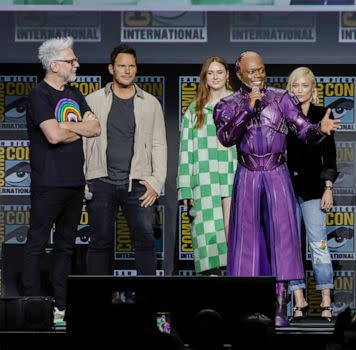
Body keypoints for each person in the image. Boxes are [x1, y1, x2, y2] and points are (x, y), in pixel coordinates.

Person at [213, 51, 340, 326]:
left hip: (277, 174)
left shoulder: (282, 98)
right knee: (246, 241)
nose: (258, 76)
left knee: (282, 241)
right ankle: (246, 307)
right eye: (251, 72)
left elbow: (303, 130)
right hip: (247, 174)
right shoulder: (228, 104)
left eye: (261, 70)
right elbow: (226, 138)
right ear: (239, 76)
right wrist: (248, 107)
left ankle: (280, 306)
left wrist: (321, 128)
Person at [24, 36, 100, 323]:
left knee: (65, 247)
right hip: (48, 183)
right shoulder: (39, 95)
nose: (76, 64)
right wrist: (78, 127)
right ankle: (30, 305)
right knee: (37, 243)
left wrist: (67, 126)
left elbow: (96, 128)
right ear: (55, 65)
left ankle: (61, 306)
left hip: (75, 183)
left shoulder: (76, 94)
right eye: (71, 61)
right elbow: (53, 136)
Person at [84, 44, 167, 276]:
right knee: (99, 242)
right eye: (122, 66)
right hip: (100, 181)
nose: (127, 71)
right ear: (111, 68)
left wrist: (156, 181)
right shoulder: (92, 100)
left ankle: (147, 302)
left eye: (131, 66)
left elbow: (160, 144)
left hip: (139, 183)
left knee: (145, 241)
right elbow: (82, 142)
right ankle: (98, 303)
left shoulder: (150, 103)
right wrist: (84, 179)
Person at [286, 67, 338, 322]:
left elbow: (330, 156)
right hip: (285, 190)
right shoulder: (283, 116)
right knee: (290, 248)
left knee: (319, 245)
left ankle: (326, 301)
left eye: (304, 85)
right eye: (295, 85)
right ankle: (299, 300)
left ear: (312, 88)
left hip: (314, 190)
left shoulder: (322, 114)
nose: (299, 90)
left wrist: (328, 188)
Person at [177, 56, 236, 276]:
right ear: (205, 77)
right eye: (210, 73)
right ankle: (213, 294)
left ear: (227, 75)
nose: (215, 77)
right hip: (204, 179)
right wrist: (184, 186)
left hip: (233, 175)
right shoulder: (195, 109)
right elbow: (186, 150)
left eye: (219, 72)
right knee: (208, 236)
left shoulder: (239, 103)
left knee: (234, 236)